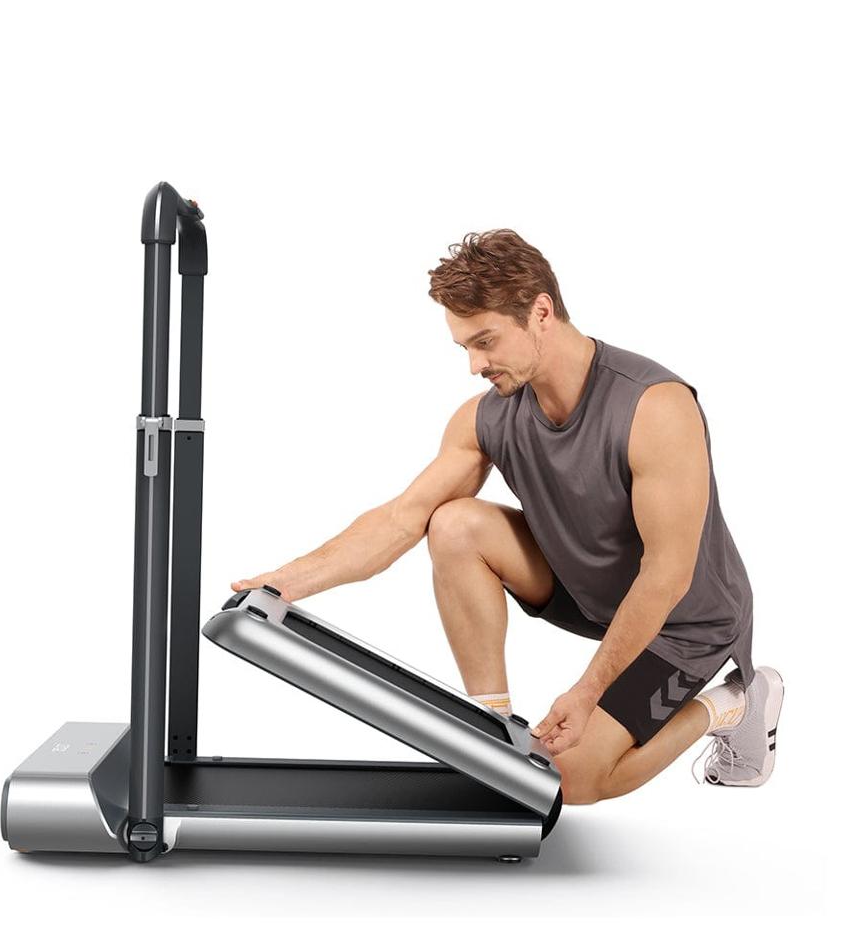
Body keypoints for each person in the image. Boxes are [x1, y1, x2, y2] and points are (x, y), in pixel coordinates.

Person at [231, 230, 784, 804]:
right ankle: (490, 731)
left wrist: (588, 690)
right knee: (453, 524)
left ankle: (733, 705)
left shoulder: (655, 407)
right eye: (464, 347)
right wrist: (283, 584)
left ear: (541, 312)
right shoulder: (486, 417)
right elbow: (402, 519)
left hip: (684, 621)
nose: (474, 365)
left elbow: (666, 577)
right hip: (588, 590)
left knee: (573, 780)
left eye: (486, 341)